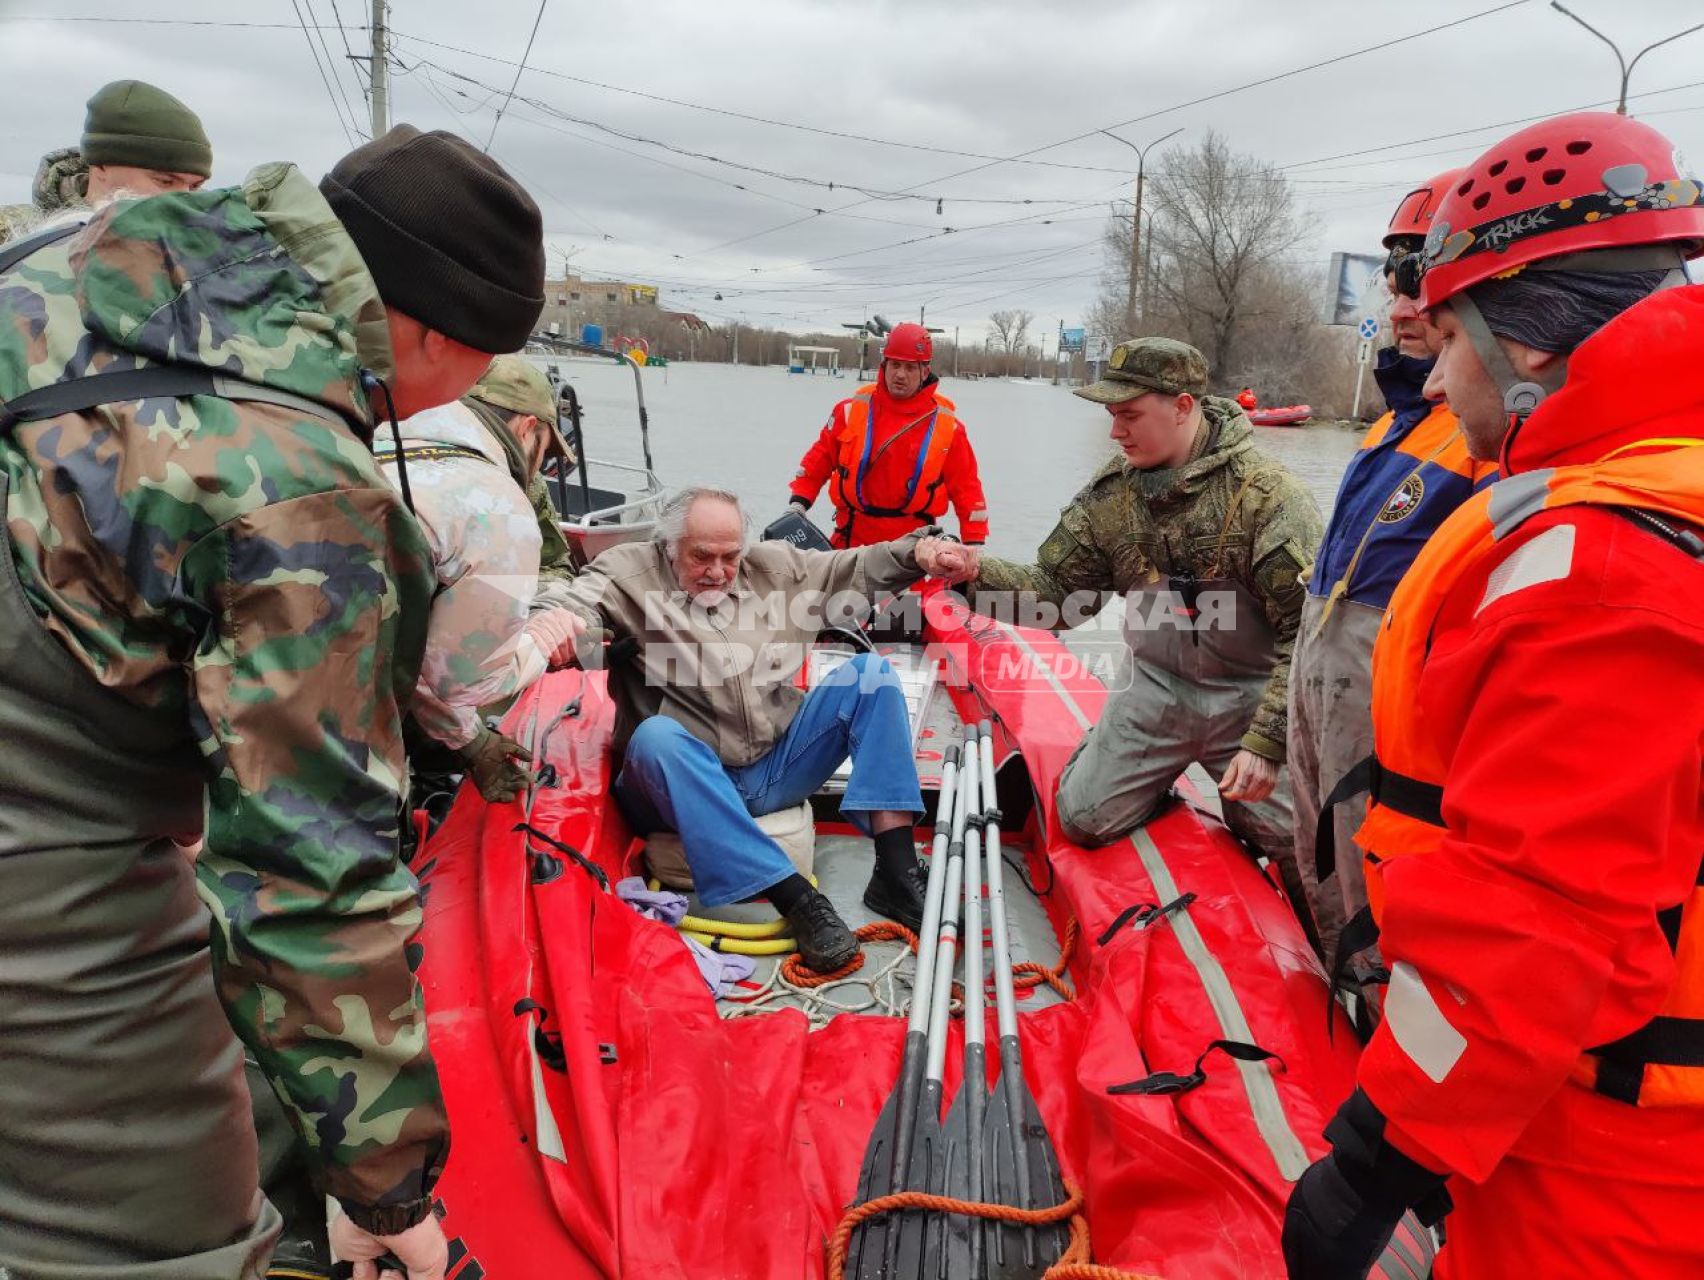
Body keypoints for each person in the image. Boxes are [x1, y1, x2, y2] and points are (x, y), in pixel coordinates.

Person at [0, 122, 545, 1280]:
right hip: (39, 821)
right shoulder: (303, 488)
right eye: (479, 366)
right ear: (431, 336)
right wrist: (385, 1190)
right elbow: (306, 878)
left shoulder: (66, 252)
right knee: (161, 1236)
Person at [1283, 112, 1704, 1280]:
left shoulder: (1612, 560)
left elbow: (1542, 915)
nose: (1437, 373)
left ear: (1521, 345)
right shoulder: (1665, 485)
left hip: (1620, 1163)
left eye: (1450, 339)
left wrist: (1375, 1157)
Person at [551, 487, 973, 970]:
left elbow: (852, 568)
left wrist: (918, 550)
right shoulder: (628, 572)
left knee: (872, 677)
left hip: (769, 769)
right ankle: (798, 902)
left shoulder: (774, 570)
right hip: (681, 782)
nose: (717, 571)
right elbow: (574, 600)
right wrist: (563, 625)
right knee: (655, 738)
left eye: (730, 556)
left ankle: (896, 873)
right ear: (668, 548)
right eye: (701, 556)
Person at [959, 338, 1321, 895]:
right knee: (1082, 820)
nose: (1115, 432)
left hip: (1248, 697)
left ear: (1182, 406)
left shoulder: (1267, 497)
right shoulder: (1111, 498)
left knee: (1305, 842)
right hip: (1155, 687)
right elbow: (1056, 596)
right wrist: (972, 570)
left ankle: (1325, 958)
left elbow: (1309, 633)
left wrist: (1267, 744)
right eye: (1111, 416)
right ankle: (1148, 776)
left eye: (1129, 415)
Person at [1287, 170, 1497, 964]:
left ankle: (1370, 1011)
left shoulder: (1485, 439)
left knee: (1382, 896)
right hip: (1324, 714)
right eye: (1397, 280)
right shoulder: (1387, 433)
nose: (1405, 308)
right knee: (1324, 869)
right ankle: (1337, 994)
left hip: (1396, 746)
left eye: (1426, 285)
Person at [379, 354, 585, 805]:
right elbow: (462, 684)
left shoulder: (377, 436)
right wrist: (543, 636)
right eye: (546, 451)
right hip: (353, 727)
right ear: (528, 429)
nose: (540, 469)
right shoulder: (496, 507)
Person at [786, 321, 990, 548]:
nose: (900, 374)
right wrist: (798, 505)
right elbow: (818, 461)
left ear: (925, 371)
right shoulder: (849, 411)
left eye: (910, 367)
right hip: (850, 543)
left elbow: (968, 492)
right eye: (895, 365)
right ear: (884, 366)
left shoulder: (949, 428)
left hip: (914, 552)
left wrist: (974, 547)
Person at [0, 80, 211, 244]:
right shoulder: (13, 235)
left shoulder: (209, 241)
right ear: (101, 165)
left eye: (194, 187)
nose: (184, 202)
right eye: (165, 182)